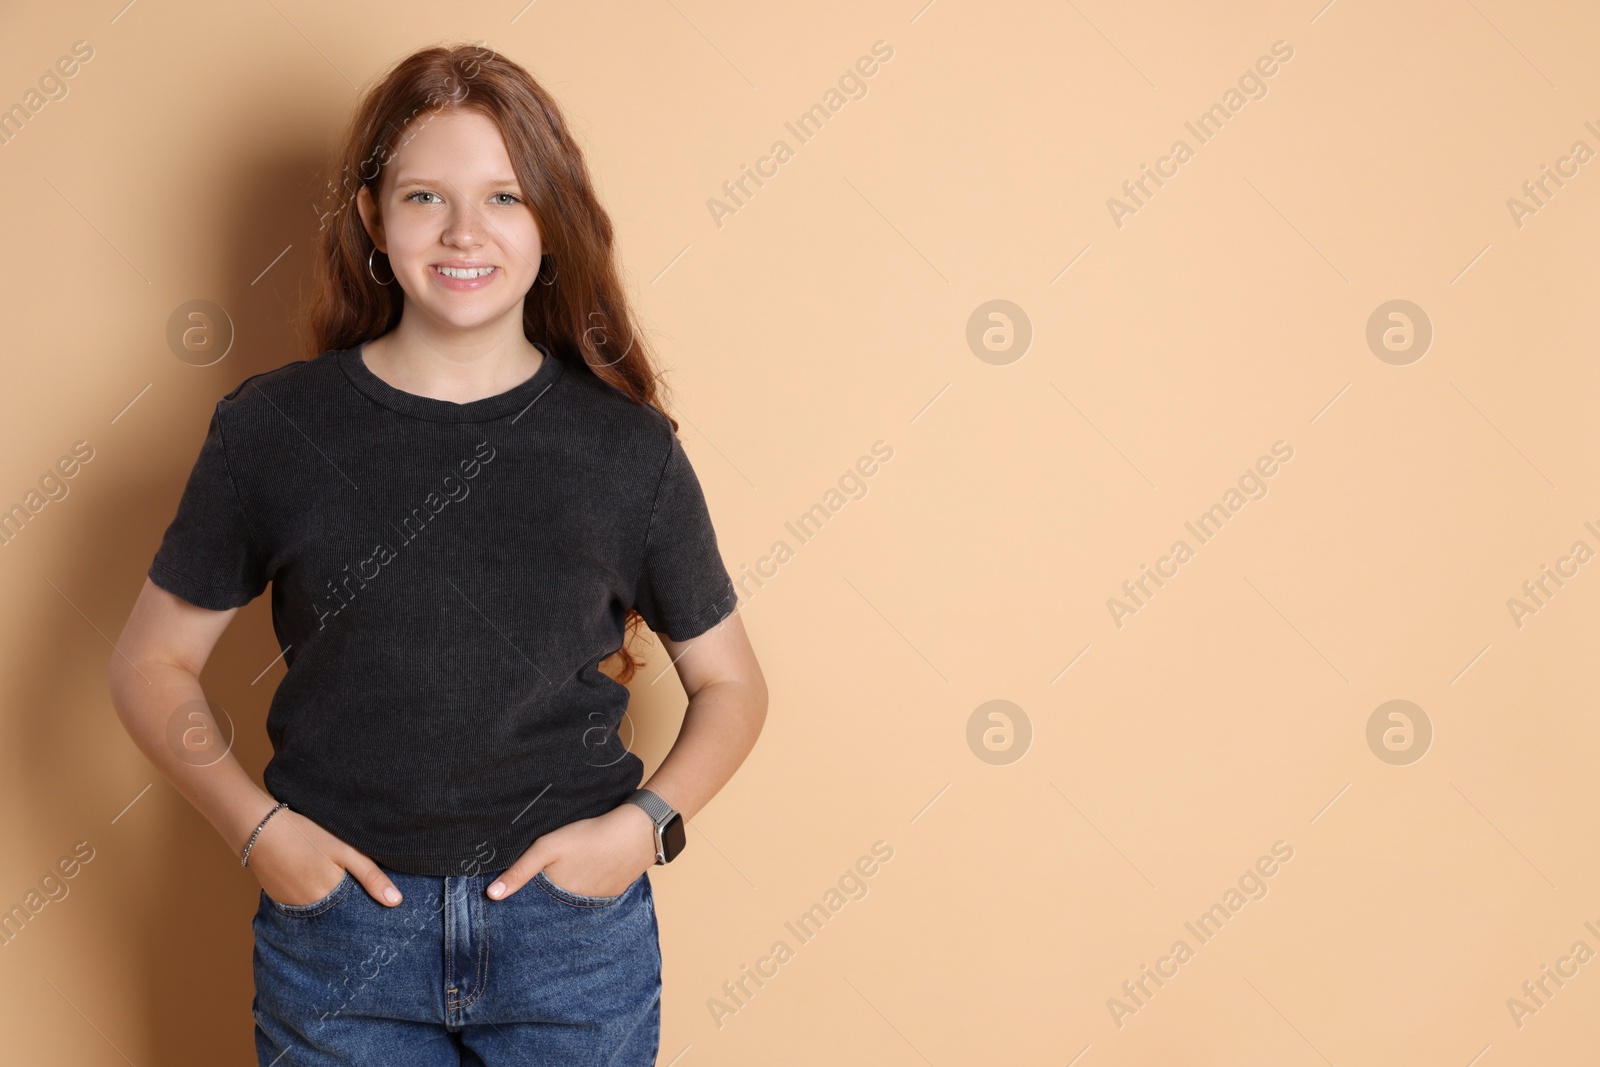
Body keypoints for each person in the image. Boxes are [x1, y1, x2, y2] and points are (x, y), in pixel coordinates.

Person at [108, 42, 767, 1066]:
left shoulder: (626, 448)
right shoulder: (274, 430)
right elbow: (149, 666)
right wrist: (258, 832)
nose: (465, 231)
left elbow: (730, 683)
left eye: (504, 196)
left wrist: (643, 826)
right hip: (339, 939)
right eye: (426, 196)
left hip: (572, 942)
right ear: (373, 217)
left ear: (549, 222)